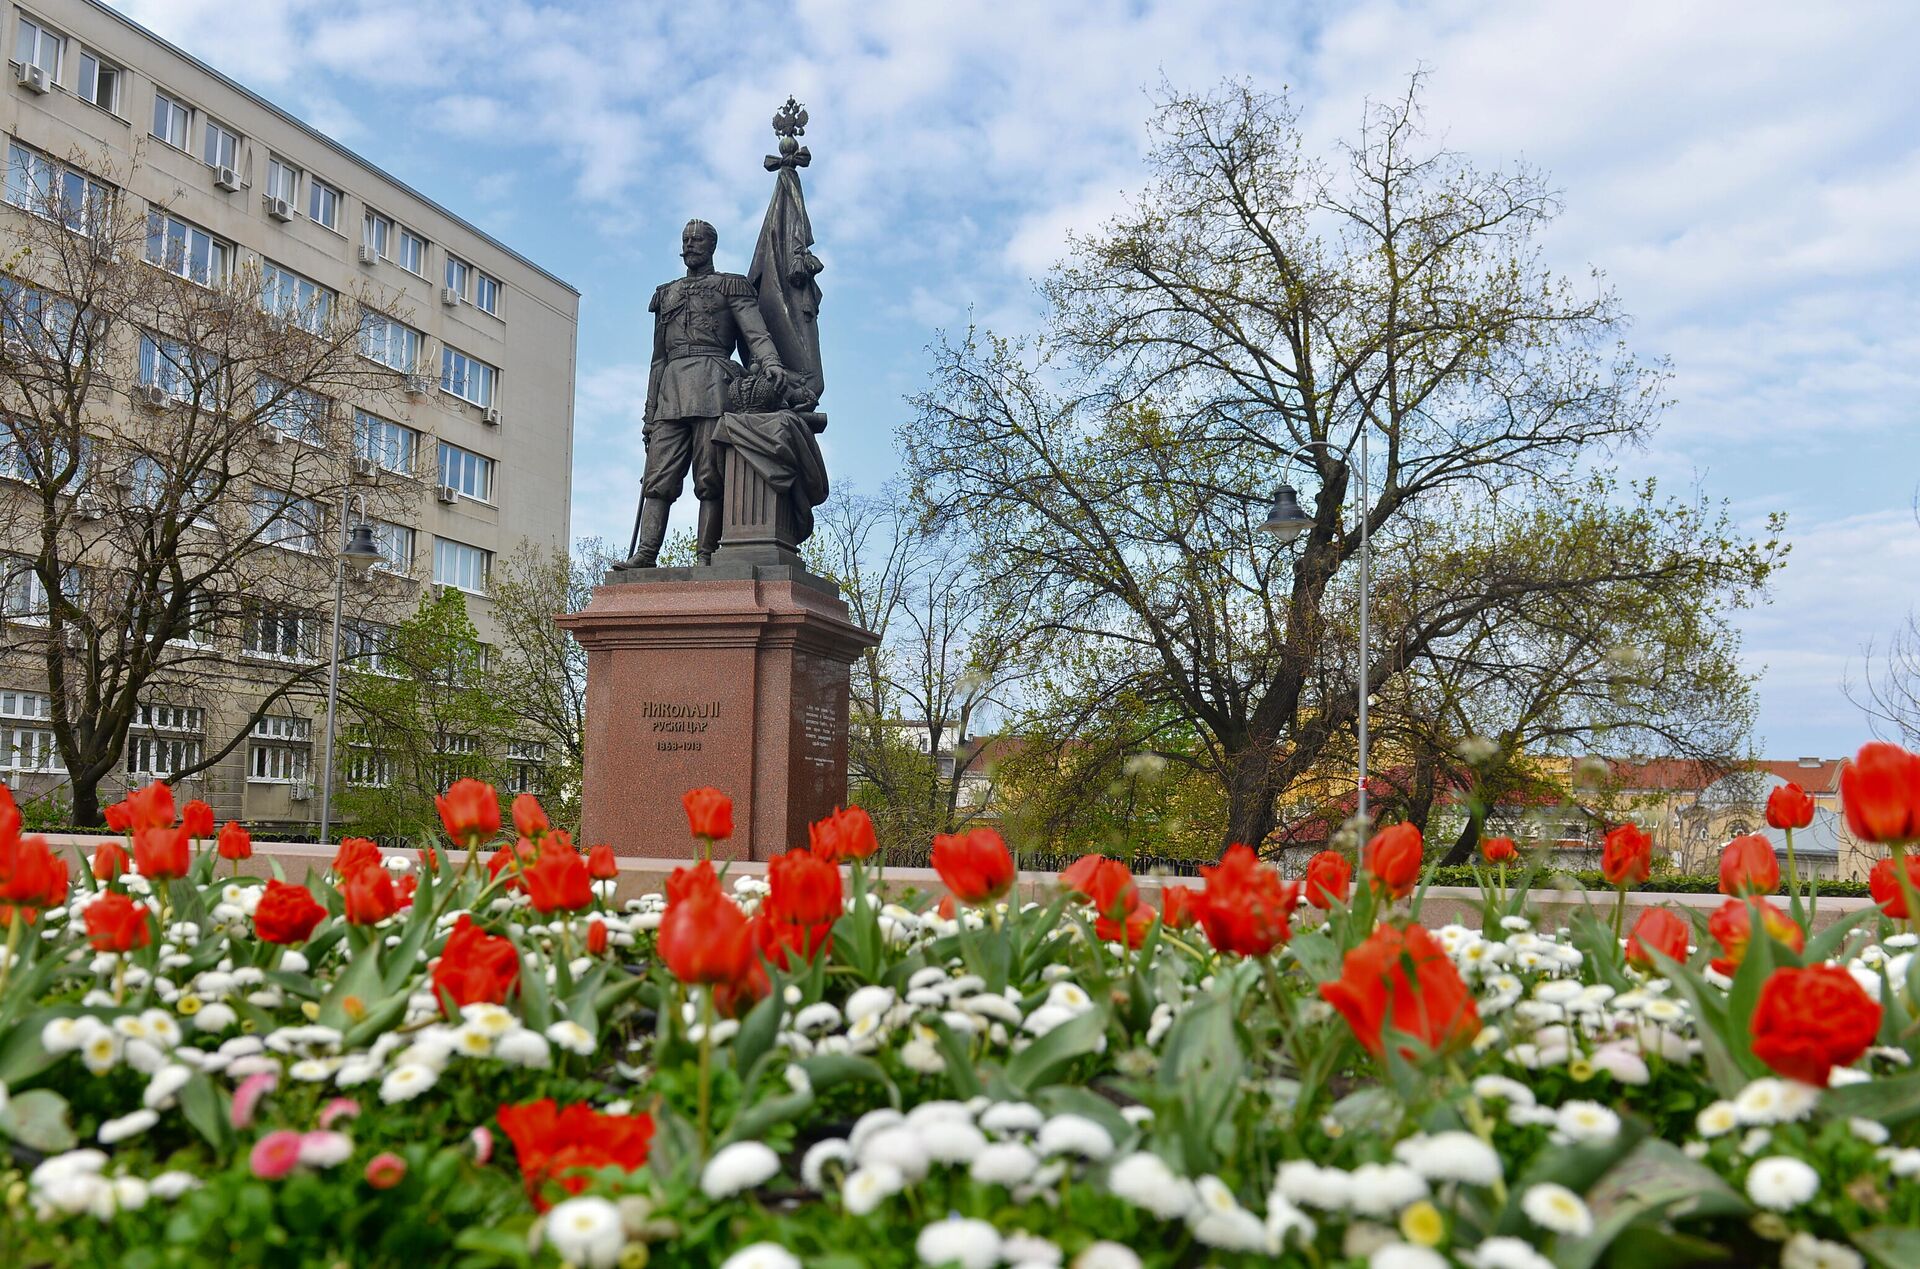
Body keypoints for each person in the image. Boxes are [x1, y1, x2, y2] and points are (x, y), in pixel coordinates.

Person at [621, 219, 788, 568]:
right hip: (671, 392)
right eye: (686, 239)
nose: (690, 245)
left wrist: (771, 362)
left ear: (711, 246)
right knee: (658, 477)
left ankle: (706, 556)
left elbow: (755, 334)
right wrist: (650, 413)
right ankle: (646, 553)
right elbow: (657, 359)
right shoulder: (666, 293)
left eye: (697, 239)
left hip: (714, 385)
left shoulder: (730, 286)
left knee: (710, 477)